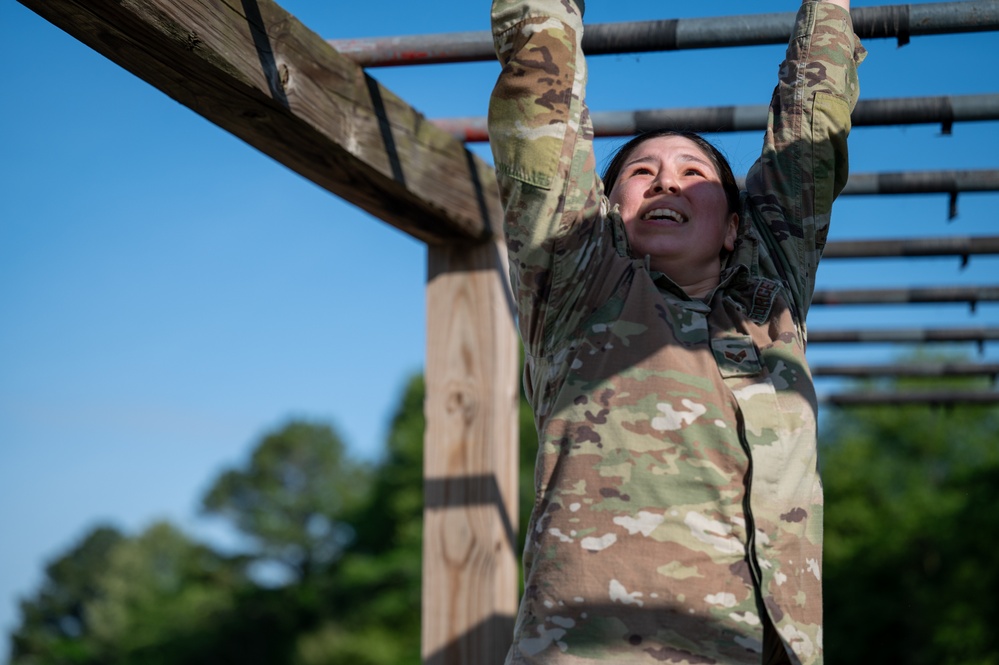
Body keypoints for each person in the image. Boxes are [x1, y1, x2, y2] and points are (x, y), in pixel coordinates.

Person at [487, 0, 864, 663]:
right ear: (607, 211)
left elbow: (810, 130)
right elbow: (536, 109)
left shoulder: (766, 303)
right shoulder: (582, 288)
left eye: (694, 173)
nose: (667, 179)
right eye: (641, 172)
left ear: (731, 226)